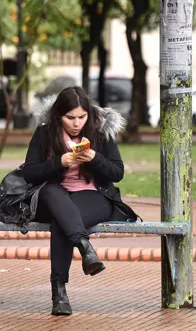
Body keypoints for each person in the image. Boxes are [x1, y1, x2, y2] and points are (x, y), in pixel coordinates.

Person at [23, 86, 138, 316]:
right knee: (54, 196)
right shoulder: (45, 133)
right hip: (52, 196)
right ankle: (85, 248)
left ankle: (59, 293)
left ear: (89, 114)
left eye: (82, 117)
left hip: (93, 196)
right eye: (70, 118)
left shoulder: (100, 131)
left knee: (62, 221)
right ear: (58, 116)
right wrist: (60, 162)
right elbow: (29, 173)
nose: (77, 123)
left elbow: (117, 172)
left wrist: (95, 158)